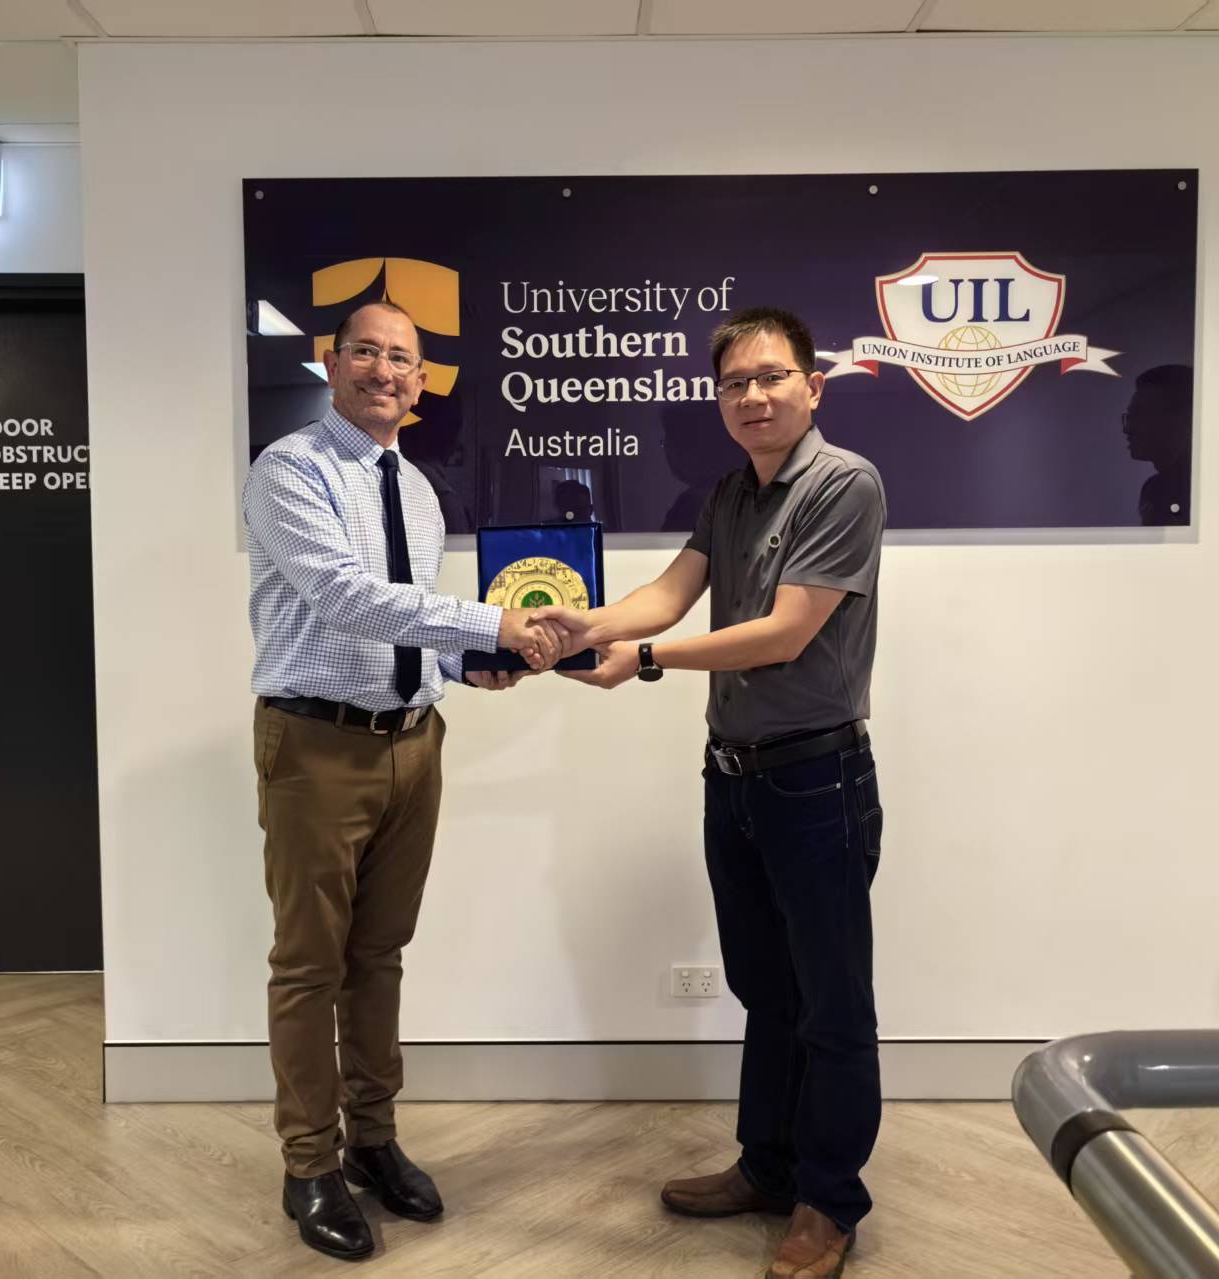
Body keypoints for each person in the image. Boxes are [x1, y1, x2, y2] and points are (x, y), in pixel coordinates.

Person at [542, 306, 887, 1279]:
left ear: (812, 386)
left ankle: (828, 1200)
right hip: (733, 778)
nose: (752, 396)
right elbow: (668, 592)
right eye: (734, 383)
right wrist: (576, 627)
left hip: (816, 778)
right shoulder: (730, 494)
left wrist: (645, 659)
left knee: (830, 1003)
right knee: (764, 991)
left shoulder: (844, 483)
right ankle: (767, 1167)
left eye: (770, 377)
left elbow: (785, 631)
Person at [242, 299, 562, 1262]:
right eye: (367, 353)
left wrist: (468, 663)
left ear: (421, 381)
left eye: (403, 359)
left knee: (380, 955)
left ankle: (373, 1139)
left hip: (413, 743)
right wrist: (493, 623)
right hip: (316, 747)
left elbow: (407, 623)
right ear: (331, 362)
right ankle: (309, 1162)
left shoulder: (417, 489)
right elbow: (345, 598)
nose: (385, 371)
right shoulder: (289, 468)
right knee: (310, 963)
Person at [1121, 364, 1193, 525]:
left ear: (1178, 420)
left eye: (1139, 416)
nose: (1127, 429)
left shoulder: (1161, 490)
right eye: (1130, 417)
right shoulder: (1155, 490)